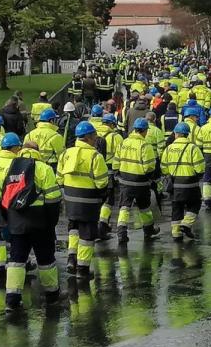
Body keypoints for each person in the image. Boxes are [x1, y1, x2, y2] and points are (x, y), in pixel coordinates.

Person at [0, 133, 63, 311]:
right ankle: (52, 295)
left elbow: (1, 197)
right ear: (37, 152)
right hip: (40, 222)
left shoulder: (11, 168)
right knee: (46, 260)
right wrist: (51, 222)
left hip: (16, 222)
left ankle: (12, 299)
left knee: (16, 260)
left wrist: (9, 220)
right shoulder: (44, 168)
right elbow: (53, 198)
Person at [58, 121, 110, 278]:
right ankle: (83, 268)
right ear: (87, 137)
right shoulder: (95, 156)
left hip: (70, 199)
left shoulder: (66, 153)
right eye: (93, 136)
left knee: (73, 228)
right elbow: (102, 182)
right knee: (87, 235)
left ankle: (71, 258)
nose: (95, 138)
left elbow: (59, 178)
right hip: (89, 201)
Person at [115, 118, 161, 244]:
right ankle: (148, 229)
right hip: (141, 181)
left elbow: (116, 163)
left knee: (124, 207)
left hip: (125, 180)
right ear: (145, 131)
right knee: (144, 207)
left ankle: (121, 232)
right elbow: (149, 166)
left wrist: (119, 174)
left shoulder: (123, 143)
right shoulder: (145, 146)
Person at [160, 122, 206, 242]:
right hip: (190, 184)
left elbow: (164, 168)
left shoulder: (169, 149)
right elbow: (200, 168)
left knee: (177, 208)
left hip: (175, 184)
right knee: (195, 204)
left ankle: (176, 234)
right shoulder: (193, 148)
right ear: (187, 135)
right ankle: (186, 223)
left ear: (175, 134)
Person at [97, 114, 124, 240]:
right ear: (112, 124)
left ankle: (101, 223)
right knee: (108, 199)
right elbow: (121, 154)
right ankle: (102, 225)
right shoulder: (116, 137)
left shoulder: (93, 133)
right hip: (109, 171)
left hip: (94, 170)